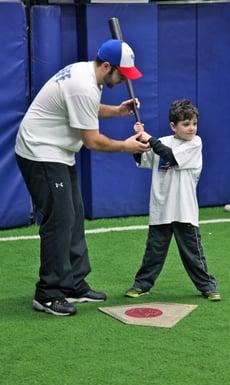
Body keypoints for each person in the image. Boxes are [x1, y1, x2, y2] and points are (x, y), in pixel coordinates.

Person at [15, 39, 149, 317]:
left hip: (59, 151)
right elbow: (92, 141)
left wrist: (117, 111)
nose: (125, 81)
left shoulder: (88, 76)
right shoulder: (83, 86)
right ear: (107, 66)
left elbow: (87, 110)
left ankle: (73, 283)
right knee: (60, 218)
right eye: (123, 75)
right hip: (40, 152)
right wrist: (127, 146)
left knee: (74, 213)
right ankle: (48, 293)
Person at [125, 99, 221, 301]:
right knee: (153, 253)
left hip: (184, 210)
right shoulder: (163, 141)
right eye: (186, 124)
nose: (191, 128)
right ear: (173, 126)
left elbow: (170, 156)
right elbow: (142, 158)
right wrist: (139, 139)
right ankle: (142, 285)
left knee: (193, 254)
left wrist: (149, 139)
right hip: (161, 209)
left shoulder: (196, 143)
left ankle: (207, 286)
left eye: (194, 123)